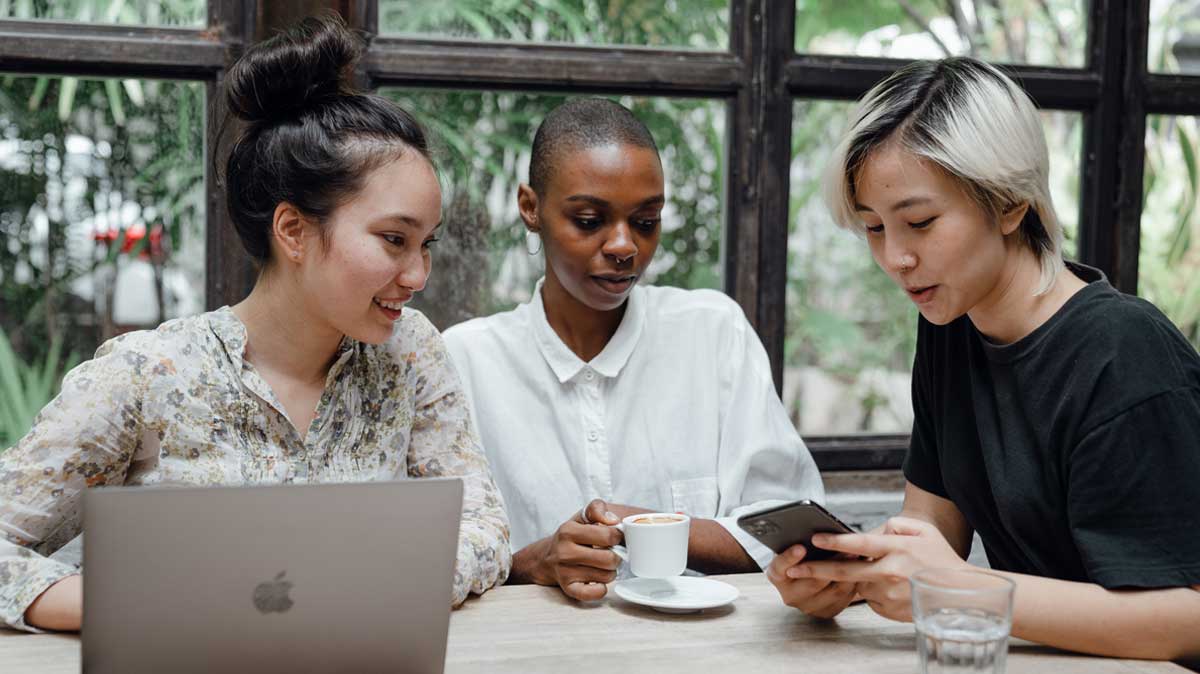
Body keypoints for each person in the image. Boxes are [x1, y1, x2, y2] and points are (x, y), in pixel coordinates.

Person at [0, 14, 510, 633]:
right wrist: (133, 602)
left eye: (426, 243)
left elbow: (483, 529)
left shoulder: (409, 351)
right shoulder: (148, 374)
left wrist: (369, 584)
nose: (418, 274)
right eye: (394, 240)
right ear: (293, 230)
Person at [766, 56, 1200, 661]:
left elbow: (1189, 618)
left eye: (919, 222)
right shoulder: (951, 325)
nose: (896, 258)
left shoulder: (1123, 352)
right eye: (873, 228)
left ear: (1008, 204)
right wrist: (855, 578)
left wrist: (962, 590)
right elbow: (932, 530)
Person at [443, 98, 824, 601]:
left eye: (646, 222)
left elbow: (793, 530)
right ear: (530, 208)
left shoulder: (712, 332)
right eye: (588, 219)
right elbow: (425, 564)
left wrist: (640, 524)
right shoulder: (466, 361)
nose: (624, 246)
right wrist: (528, 564)